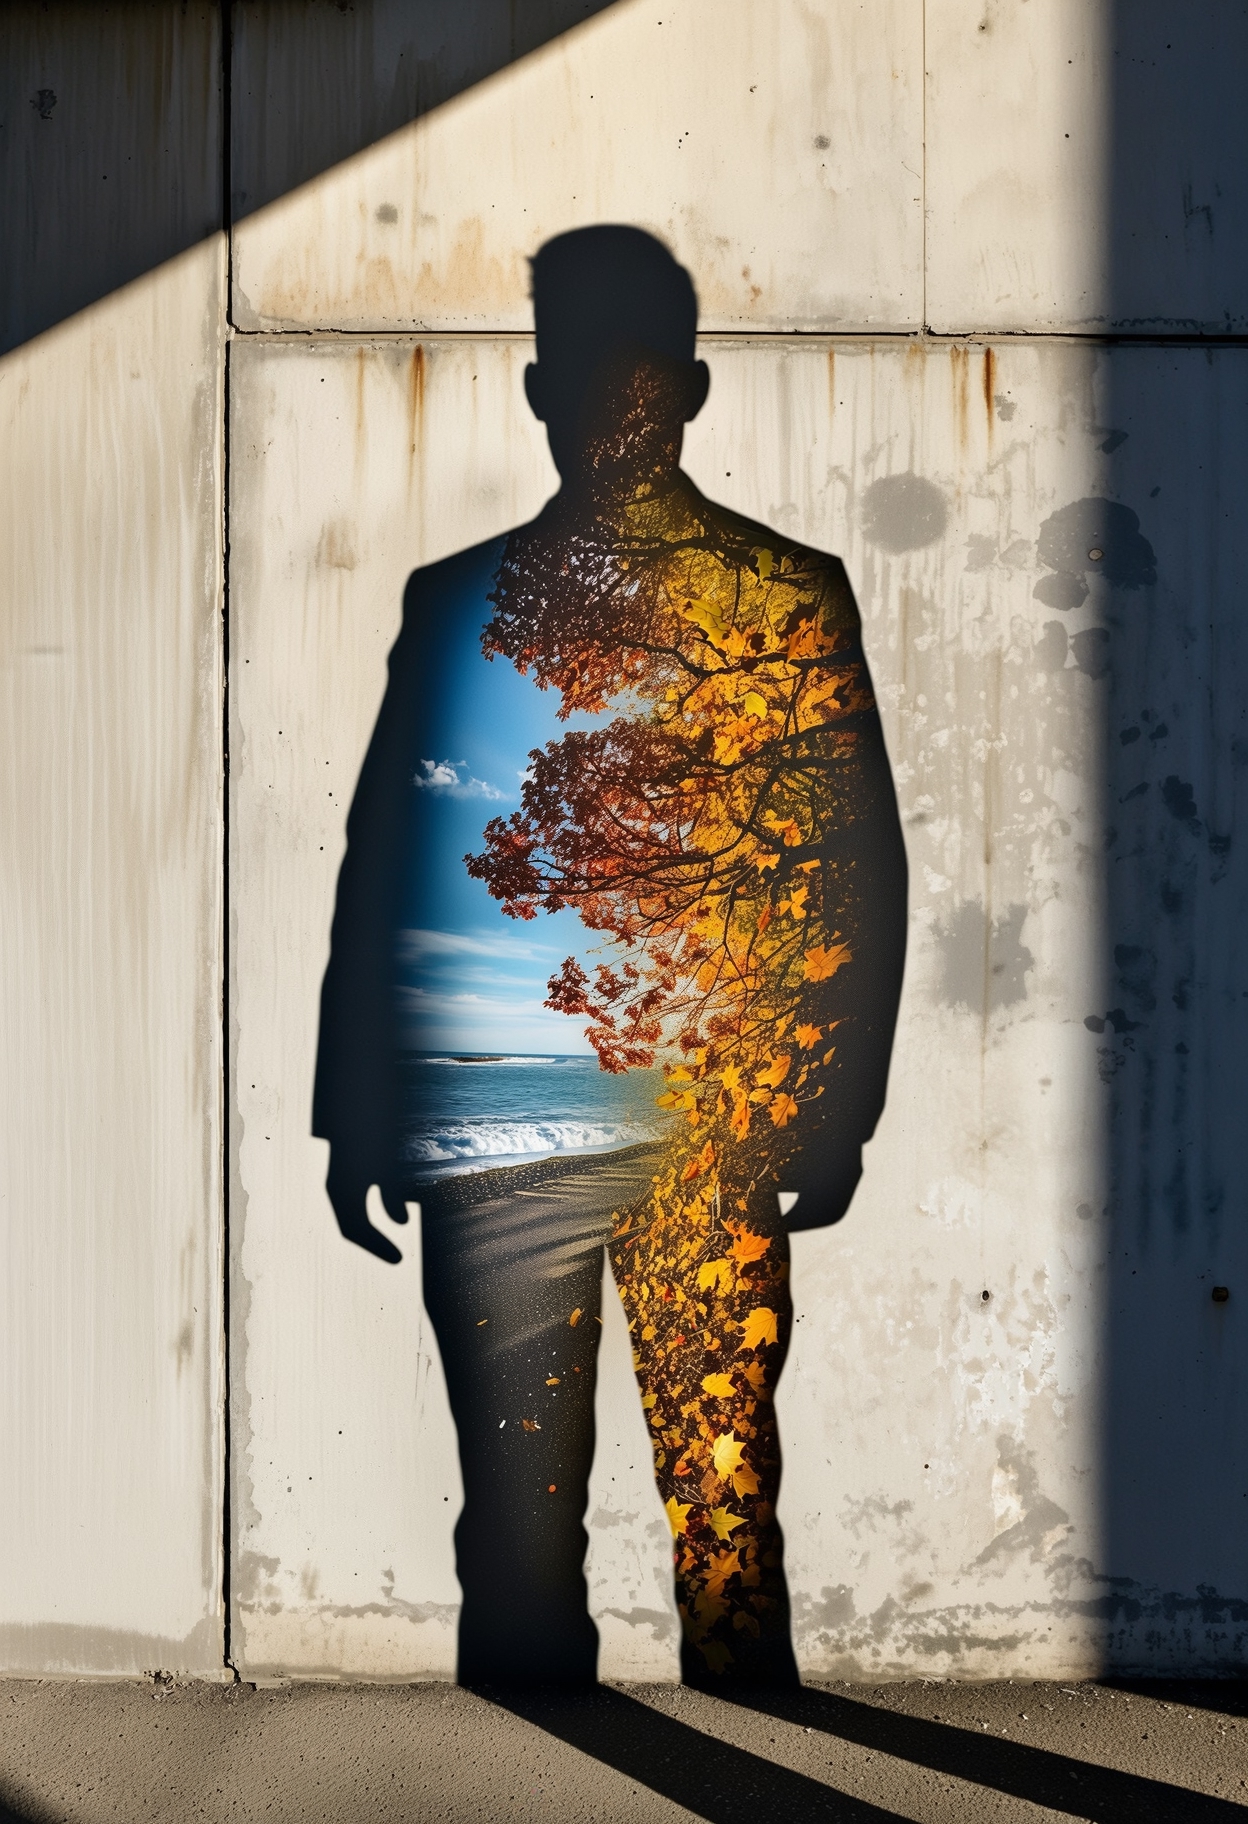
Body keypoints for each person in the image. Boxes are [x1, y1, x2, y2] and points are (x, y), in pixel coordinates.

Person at [314, 225, 907, 1686]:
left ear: (692, 393)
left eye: (624, 380)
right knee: (526, 1529)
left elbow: (857, 871)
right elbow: (391, 858)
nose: (609, 412)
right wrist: (365, 1107)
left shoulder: (785, 599)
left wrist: (832, 1111)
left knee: (719, 1505)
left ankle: (751, 1768)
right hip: (516, 1116)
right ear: (537, 393)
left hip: (696, 1117)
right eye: (592, 381)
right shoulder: (462, 603)